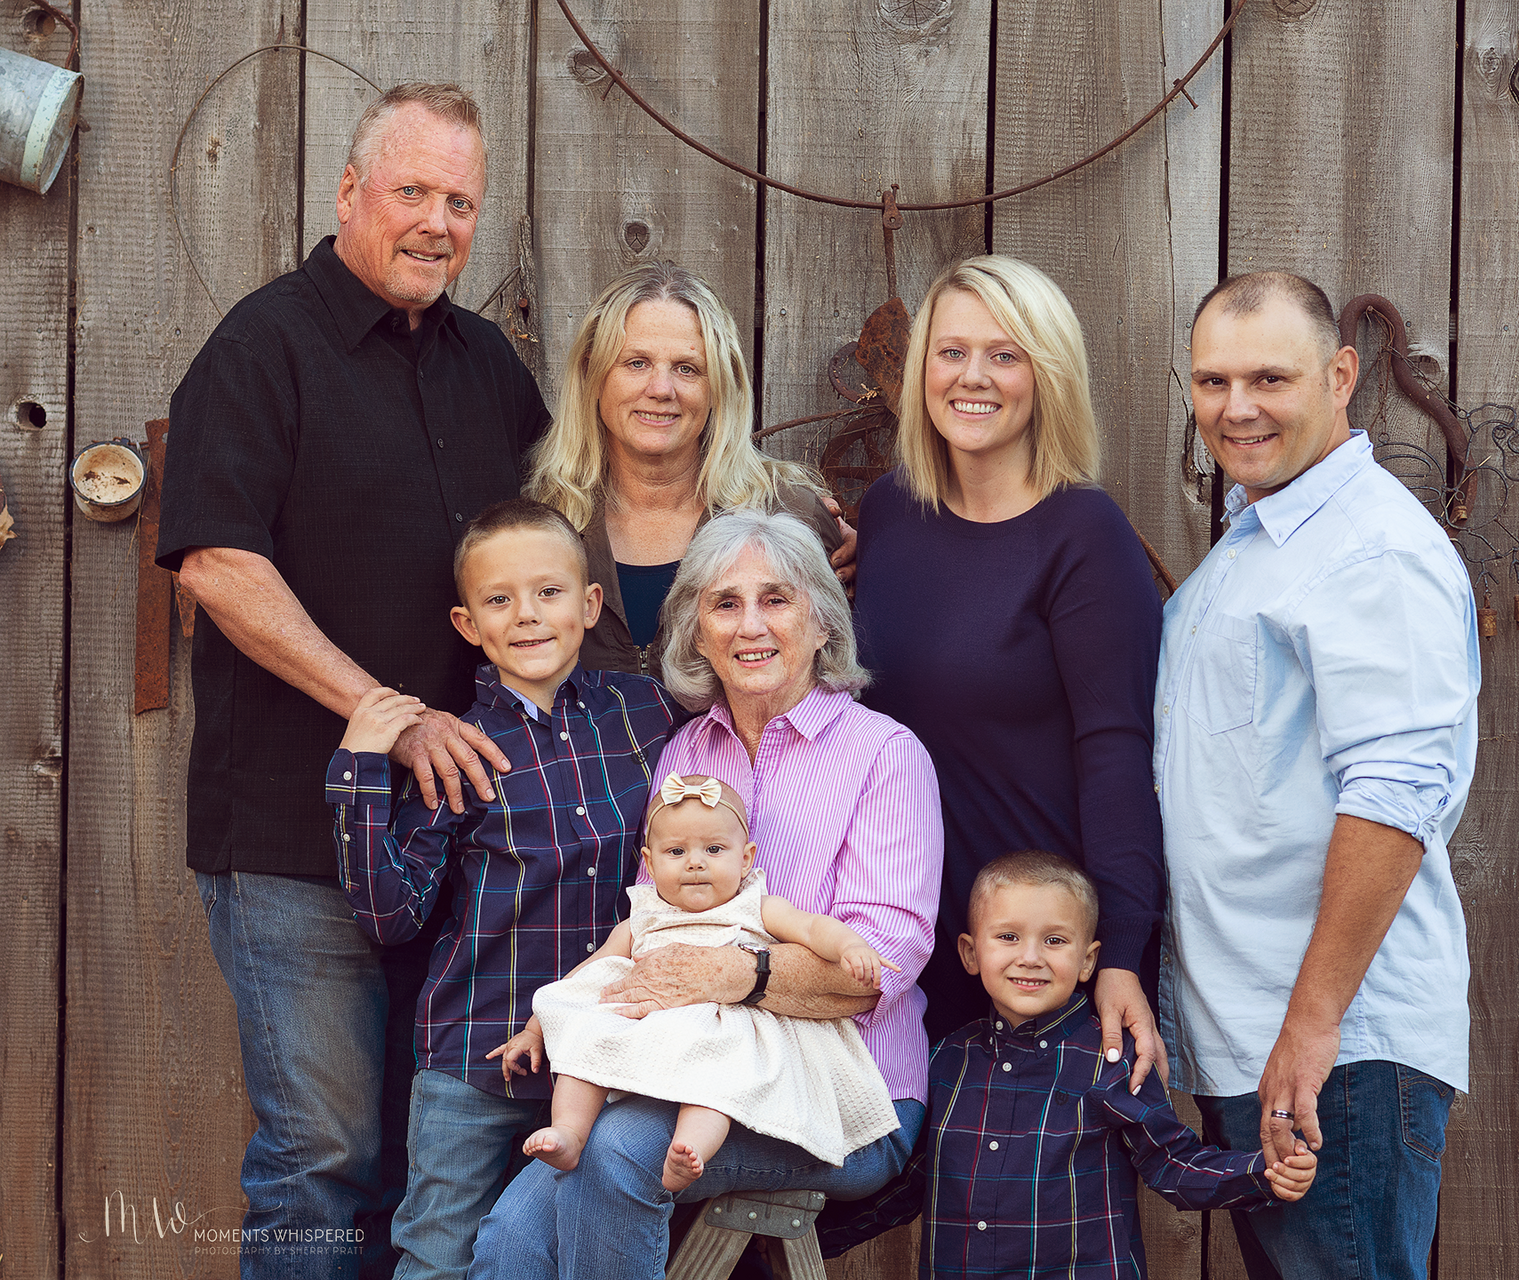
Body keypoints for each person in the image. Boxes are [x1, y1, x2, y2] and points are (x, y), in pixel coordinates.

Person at [155, 83, 548, 1278]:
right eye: (414, 191)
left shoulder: (492, 369)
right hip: (294, 842)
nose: (437, 222)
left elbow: (563, 540)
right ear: (348, 193)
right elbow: (218, 562)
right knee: (319, 1152)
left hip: (453, 852)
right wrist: (388, 713)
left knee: (427, 1151)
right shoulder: (262, 346)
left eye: (461, 201)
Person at [468, 508, 943, 1280]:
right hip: (683, 1070)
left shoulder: (885, 755)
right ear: (697, 631)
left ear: (823, 620)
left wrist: (735, 973)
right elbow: (653, 922)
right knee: (512, 1239)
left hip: (854, 1094)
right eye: (724, 603)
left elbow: (879, 972)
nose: (750, 625)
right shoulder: (690, 750)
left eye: (776, 600)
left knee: (619, 1155)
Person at [1159, 271, 1479, 1279]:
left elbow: (1392, 789)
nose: (1236, 406)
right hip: (1273, 1033)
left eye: (1269, 376)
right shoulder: (1259, 542)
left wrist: (1311, 1024)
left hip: (1335, 1047)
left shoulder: (1369, 548)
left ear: (1341, 375)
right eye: (1212, 380)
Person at [327, 500, 679, 1280]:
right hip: (475, 1059)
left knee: (565, 1254)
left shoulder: (647, 715)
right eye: (499, 600)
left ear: (590, 605)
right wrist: (357, 772)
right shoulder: (456, 748)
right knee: (440, 1258)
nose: (527, 615)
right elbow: (392, 917)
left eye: (549, 593)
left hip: (611, 1061)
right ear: (467, 624)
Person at [852, 254, 1167, 1086]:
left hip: (1038, 959)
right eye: (951, 352)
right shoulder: (888, 512)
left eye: (1005, 353)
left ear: (1046, 374)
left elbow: (1117, 757)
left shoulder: (1084, 535)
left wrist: (1122, 956)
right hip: (911, 938)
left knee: (1027, 1206)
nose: (973, 377)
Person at [826, 851, 1317, 1276]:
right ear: (971, 953)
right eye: (1009, 937)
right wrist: (803, 1233)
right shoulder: (947, 1060)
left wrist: (1264, 1173)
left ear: (1088, 961)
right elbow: (910, 1184)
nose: (1031, 957)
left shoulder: (1112, 1058)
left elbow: (1173, 1162)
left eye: (1055, 941)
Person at [498, 772, 899, 1193]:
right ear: (649, 864)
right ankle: (569, 1133)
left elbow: (815, 928)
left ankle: (690, 1150)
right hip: (646, 1032)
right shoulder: (642, 919)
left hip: (720, 1029)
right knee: (590, 1039)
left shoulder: (757, 907)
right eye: (676, 851)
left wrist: (850, 946)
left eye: (713, 849)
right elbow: (584, 982)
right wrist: (535, 1028)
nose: (695, 862)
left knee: (719, 1078)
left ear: (745, 859)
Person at [525, 260, 854, 677]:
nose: (662, 390)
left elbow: (837, 689)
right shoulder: (539, 527)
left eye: (687, 368)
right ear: (593, 372)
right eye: (636, 363)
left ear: (718, 385)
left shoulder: (789, 518)